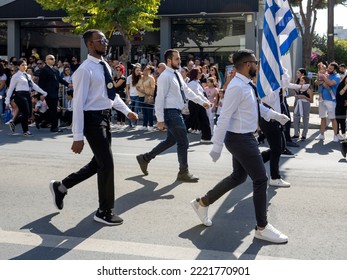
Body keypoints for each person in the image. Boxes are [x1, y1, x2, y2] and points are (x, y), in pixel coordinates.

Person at [190, 49, 289, 244]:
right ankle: (262, 227)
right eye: (255, 62)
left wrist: (276, 116)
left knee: (238, 177)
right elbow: (224, 116)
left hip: (244, 137)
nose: (257, 66)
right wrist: (216, 146)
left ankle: (202, 202)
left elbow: (256, 107)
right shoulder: (236, 86)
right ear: (246, 64)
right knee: (260, 179)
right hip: (240, 139)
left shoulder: (245, 85)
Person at [49, 29, 138, 226]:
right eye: (101, 40)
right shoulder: (84, 70)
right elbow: (79, 103)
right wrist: (77, 135)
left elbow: (111, 95)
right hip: (92, 121)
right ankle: (104, 211)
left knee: (98, 163)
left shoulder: (104, 65)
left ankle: (61, 186)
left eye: (105, 40)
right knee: (107, 164)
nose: (106, 43)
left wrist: (126, 111)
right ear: (90, 44)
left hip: (105, 118)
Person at [136, 49, 211, 182]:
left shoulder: (176, 74)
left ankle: (145, 158)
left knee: (171, 140)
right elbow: (159, 98)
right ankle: (183, 172)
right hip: (170, 112)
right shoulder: (165, 76)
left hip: (176, 111)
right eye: (176, 59)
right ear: (169, 61)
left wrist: (203, 102)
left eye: (179, 59)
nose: (179, 61)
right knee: (183, 141)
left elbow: (187, 91)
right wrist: (159, 119)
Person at [5, 59, 47, 136]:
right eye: (22, 65)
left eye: (25, 64)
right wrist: (7, 100)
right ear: (18, 66)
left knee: (29, 114)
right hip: (19, 95)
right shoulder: (15, 76)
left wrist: (43, 92)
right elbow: (11, 88)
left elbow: (34, 86)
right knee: (26, 113)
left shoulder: (28, 75)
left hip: (27, 94)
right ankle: (26, 131)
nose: (25, 66)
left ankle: (14, 122)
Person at [38, 54, 73, 132]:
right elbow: (41, 83)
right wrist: (41, 93)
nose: (53, 60)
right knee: (53, 110)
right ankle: (54, 127)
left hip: (55, 92)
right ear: (46, 60)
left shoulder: (55, 70)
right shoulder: (44, 70)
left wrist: (68, 84)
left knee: (52, 110)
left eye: (53, 59)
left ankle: (40, 120)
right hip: (48, 93)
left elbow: (60, 79)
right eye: (51, 59)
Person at [314, 62, 341, 142]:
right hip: (322, 100)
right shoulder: (326, 74)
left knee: (332, 118)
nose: (328, 69)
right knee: (323, 117)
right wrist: (322, 81)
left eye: (330, 69)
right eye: (328, 68)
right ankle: (322, 134)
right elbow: (316, 82)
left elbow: (330, 83)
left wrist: (323, 77)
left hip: (331, 101)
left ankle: (335, 135)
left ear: (335, 70)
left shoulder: (337, 76)